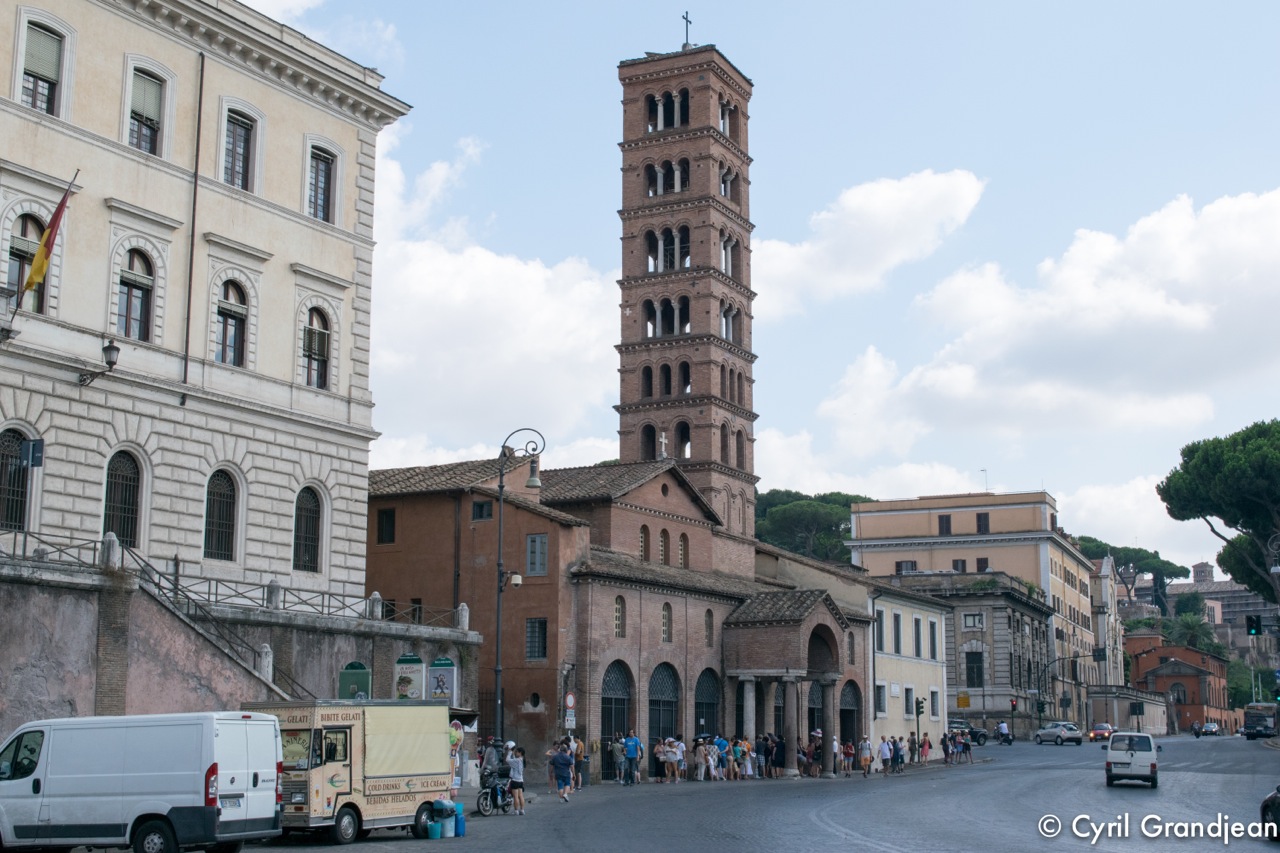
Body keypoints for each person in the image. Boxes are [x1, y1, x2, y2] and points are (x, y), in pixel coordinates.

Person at [508, 745, 526, 815]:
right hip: (520, 780)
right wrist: (513, 754)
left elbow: (508, 760)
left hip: (515, 780)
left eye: (517, 752)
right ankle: (522, 810)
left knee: (515, 796)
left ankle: (516, 811)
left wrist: (509, 753)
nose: (516, 753)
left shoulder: (517, 760)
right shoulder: (522, 760)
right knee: (521, 796)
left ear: (520, 753)